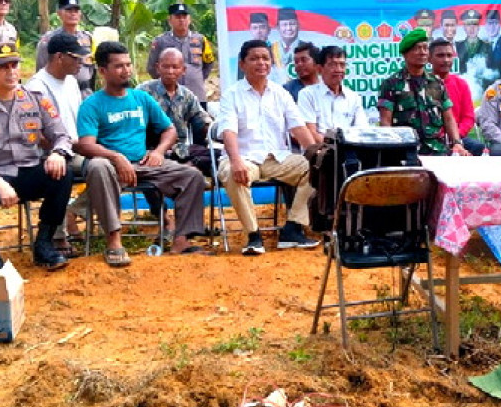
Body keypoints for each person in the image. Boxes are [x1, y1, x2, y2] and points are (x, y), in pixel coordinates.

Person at [75, 41, 206, 266]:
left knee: (192, 176)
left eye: (128, 65)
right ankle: (114, 241)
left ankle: (181, 241)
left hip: (145, 163)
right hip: (111, 167)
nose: (126, 70)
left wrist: (158, 152)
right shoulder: (92, 104)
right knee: (97, 166)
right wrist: (115, 157)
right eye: (118, 66)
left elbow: (169, 130)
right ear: (103, 71)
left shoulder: (141, 98)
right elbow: (85, 144)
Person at [0, 44, 73, 272]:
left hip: (27, 171)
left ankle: (44, 243)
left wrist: (57, 152)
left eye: (14, 65)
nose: (11, 72)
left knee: (62, 173)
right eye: (2, 67)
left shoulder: (36, 98)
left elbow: (62, 135)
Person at [216, 39, 320, 256]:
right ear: (242, 64)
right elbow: (228, 132)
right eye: (254, 58)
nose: (261, 63)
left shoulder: (280, 93)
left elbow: (298, 127)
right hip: (244, 157)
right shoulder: (232, 94)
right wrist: (235, 161)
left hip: (277, 158)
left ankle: (292, 228)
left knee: (318, 167)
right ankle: (253, 235)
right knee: (229, 172)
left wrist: (315, 153)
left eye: (265, 58)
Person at [26, 32, 89, 256]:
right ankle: (57, 235)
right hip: (49, 153)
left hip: (76, 147)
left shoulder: (72, 82)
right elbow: (37, 133)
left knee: (114, 165)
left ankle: (74, 211)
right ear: (59, 57)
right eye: (76, 58)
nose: (81, 63)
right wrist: (60, 150)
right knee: (70, 171)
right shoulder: (37, 86)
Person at [378, 29, 470, 156]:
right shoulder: (391, 84)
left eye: (425, 48)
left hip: (437, 151)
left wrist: (457, 143)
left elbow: (449, 118)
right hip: (405, 152)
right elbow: (385, 121)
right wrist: (390, 150)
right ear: (405, 54)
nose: (422, 52)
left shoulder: (437, 83)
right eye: (417, 48)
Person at [138, 48, 212, 174]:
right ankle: (186, 171)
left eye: (175, 67)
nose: (170, 71)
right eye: (165, 67)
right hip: (153, 151)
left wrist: (218, 130)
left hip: (181, 151)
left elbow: (202, 121)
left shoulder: (187, 95)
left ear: (183, 70)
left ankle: (187, 169)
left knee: (219, 156)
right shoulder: (143, 92)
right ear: (158, 68)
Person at [145, 3, 216, 103]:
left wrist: (197, 78)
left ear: (189, 19)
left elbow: (209, 63)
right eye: (178, 17)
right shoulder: (160, 41)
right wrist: (166, 80)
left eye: (184, 17)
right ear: (170, 20)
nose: (182, 20)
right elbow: (152, 67)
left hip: (197, 95)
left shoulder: (201, 40)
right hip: (169, 97)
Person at [299, 45, 369, 144]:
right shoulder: (307, 94)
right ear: (319, 69)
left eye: (342, 65)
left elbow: (361, 131)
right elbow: (310, 133)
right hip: (319, 153)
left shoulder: (354, 97)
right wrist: (337, 147)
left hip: (349, 153)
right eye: (332, 64)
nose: (339, 69)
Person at [428, 39, 483, 155]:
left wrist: (455, 137)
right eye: (440, 55)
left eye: (449, 55)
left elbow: (468, 117)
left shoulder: (461, 84)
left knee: (477, 147)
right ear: (429, 59)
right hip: (430, 139)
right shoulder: (422, 84)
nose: (446, 60)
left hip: (457, 137)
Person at [36, 0, 96, 96]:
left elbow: (93, 68)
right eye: (69, 10)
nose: (73, 14)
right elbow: (41, 68)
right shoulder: (49, 39)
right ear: (59, 13)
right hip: (60, 90)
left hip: (85, 92)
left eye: (76, 11)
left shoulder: (88, 38)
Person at [457, 9, 494, 85]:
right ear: (464, 27)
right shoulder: (457, 46)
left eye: (475, 24)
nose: (472, 28)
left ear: (479, 27)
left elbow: (491, 70)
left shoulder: (488, 46)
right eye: (468, 25)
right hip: (462, 85)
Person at [270, 7, 302, 82]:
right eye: (284, 25)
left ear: (298, 26)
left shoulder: (309, 49)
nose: (288, 28)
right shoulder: (269, 50)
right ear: (278, 28)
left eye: (292, 24)